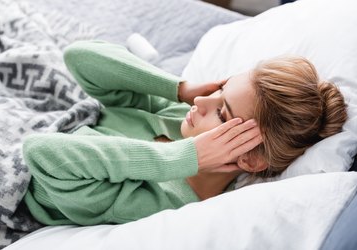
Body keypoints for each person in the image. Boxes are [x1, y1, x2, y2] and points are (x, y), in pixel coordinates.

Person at [22, 40, 347, 226]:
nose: (203, 102)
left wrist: (183, 158)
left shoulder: (161, 205)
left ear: (248, 158)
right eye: (221, 88)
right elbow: (79, 58)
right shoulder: (181, 119)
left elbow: (41, 153)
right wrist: (178, 88)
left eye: (222, 112)